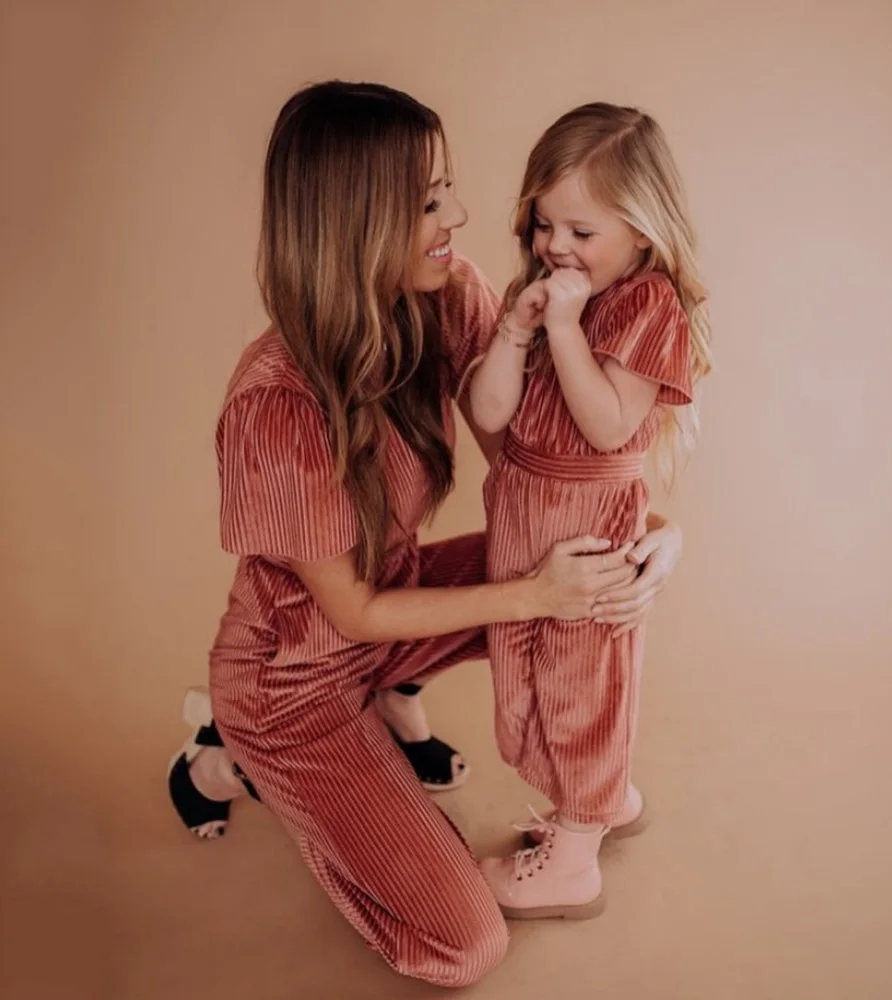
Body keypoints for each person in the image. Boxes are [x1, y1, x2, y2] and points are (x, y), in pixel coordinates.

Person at [166, 81, 684, 988]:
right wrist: (539, 595)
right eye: (427, 201)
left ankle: (401, 712)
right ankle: (231, 757)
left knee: (586, 571)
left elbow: (540, 468)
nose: (459, 217)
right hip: (295, 676)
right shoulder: (276, 405)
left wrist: (654, 539)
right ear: (355, 222)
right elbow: (353, 613)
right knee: (466, 943)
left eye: (448, 189)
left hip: (393, 609)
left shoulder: (446, 298)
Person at [469, 102, 712, 920]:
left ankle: (575, 858)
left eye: (581, 230)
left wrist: (566, 329)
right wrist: (515, 329)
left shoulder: (649, 306)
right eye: (544, 225)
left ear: (642, 231)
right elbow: (491, 413)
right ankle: (606, 803)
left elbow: (608, 425)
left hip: (586, 521)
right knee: (531, 677)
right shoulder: (542, 294)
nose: (555, 247)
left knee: (581, 683)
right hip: (523, 511)